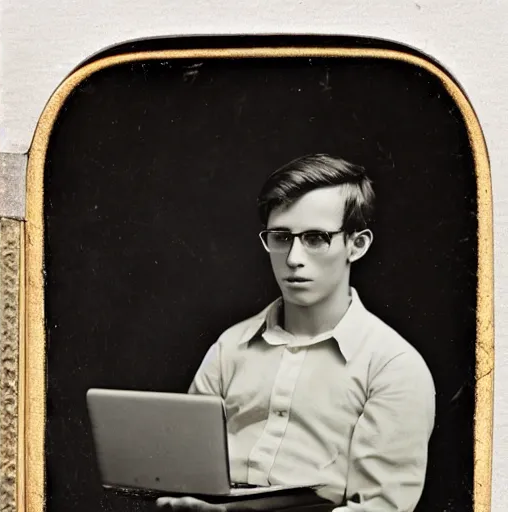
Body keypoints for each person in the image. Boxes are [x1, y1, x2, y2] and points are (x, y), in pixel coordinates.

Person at [157, 154, 436, 512]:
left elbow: (379, 509)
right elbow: (185, 474)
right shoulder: (230, 348)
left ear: (357, 244)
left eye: (316, 237)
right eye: (281, 237)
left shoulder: (394, 367)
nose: (293, 257)